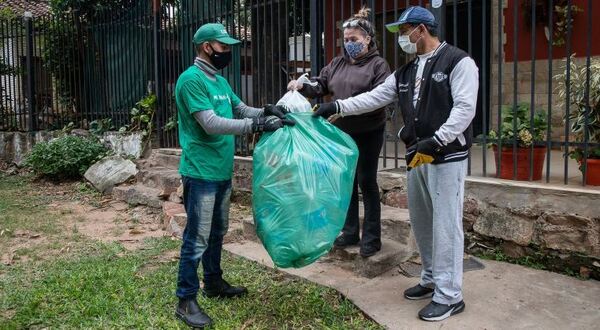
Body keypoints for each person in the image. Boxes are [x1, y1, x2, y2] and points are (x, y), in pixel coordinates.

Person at [313, 6, 479, 322]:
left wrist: (439, 138)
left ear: (421, 29)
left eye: (404, 32)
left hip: (447, 155)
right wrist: (337, 106)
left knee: (446, 225)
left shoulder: (459, 62)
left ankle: (450, 295)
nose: (402, 38)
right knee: (422, 220)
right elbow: (374, 97)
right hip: (418, 154)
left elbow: (465, 109)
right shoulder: (405, 72)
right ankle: (431, 279)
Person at [174, 23, 294, 328]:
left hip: (221, 170)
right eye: (223, 46)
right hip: (200, 171)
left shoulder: (220, 81)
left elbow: (240, 110)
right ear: (206, 47)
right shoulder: (191, 81)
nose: (227, 52)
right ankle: (186, 300)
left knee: (217, 231)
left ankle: (213, 283)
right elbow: (211, 123)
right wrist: (257, 126)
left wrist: (268, 111)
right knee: (197, 236)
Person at [288, 7, 391, 257]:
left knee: (367, 181)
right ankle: (350, 231)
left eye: (353, 39)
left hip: (369, 130)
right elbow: (320, 84)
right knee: (346, 182)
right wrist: (302, 85)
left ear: (367, 39)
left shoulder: (379, 65)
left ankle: (372, 237)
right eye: (346, 40)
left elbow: (379, 97)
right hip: (341, 133)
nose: (349, 44)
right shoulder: (337, 63)